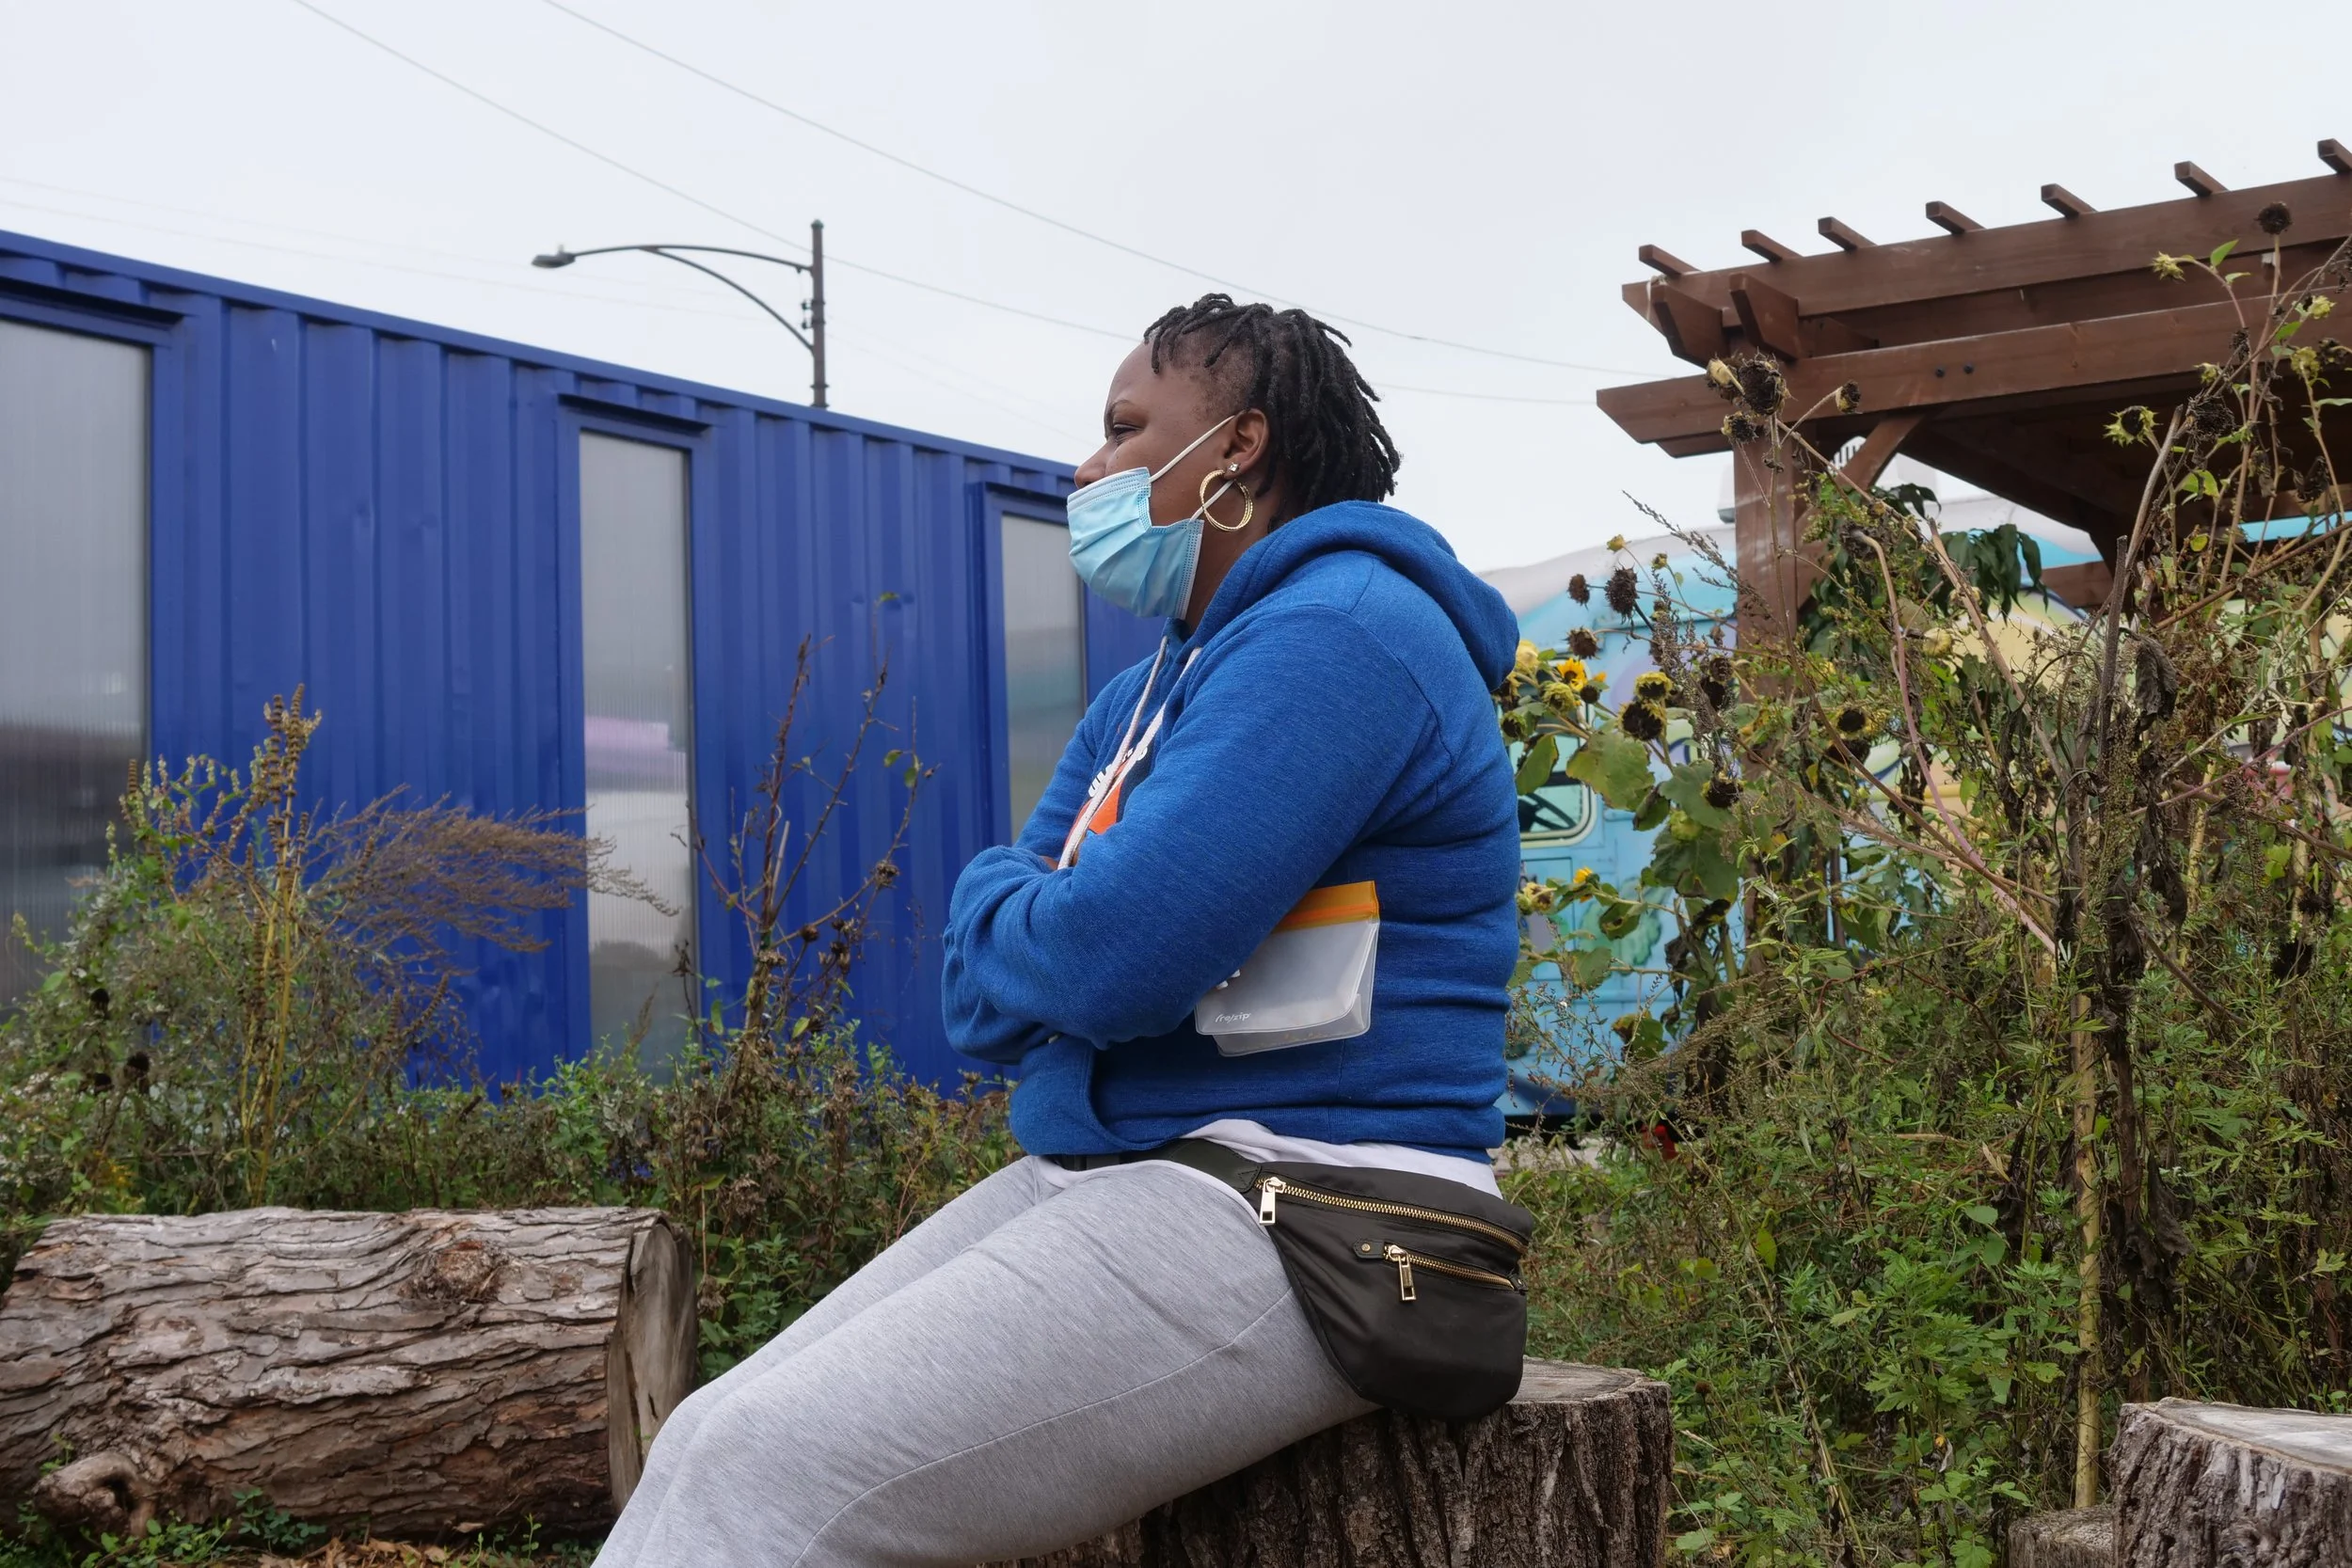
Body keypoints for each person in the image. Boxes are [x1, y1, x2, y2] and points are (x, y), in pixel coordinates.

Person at [595, 295, 1521, 1567]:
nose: (1086, 469)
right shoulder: (1160, 684)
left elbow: (1108, 953)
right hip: (1150, 1173)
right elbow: (983, 1001)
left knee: (759, 1477)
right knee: (711, 1436)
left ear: (1238, 447)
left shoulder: (1343, 634)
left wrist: (1038, 914)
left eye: (1125, 428)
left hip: (1321, 1210)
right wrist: (1042, 920)